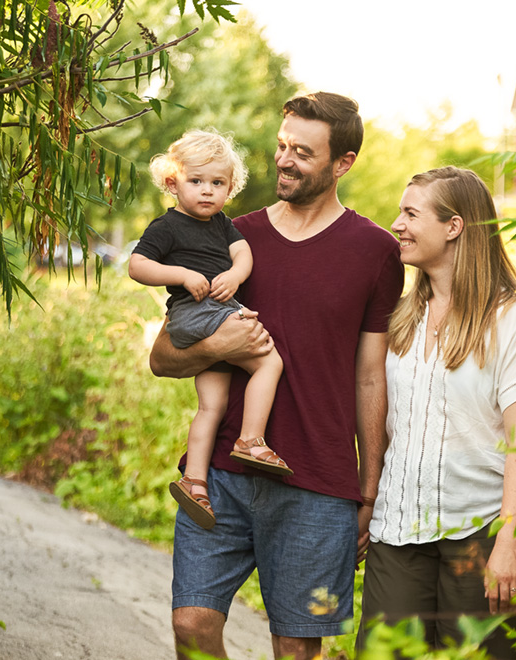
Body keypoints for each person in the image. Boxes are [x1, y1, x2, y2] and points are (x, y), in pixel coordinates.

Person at [148, 93, 405, 660]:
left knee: (295, 648)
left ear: (343, 163)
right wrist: (219, 343)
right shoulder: (226, 235)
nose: (284, 161)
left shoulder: (375, 252)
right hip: (219, 475)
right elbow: (164, 357)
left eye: (303, 152)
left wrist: (369, 488)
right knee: (191, 624)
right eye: (282, 146)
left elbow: (370, 377)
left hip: (317, 484)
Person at [356, 166, 516, 659]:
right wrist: (367, 496)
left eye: (410, 213)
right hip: (398, 529)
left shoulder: (509, 319)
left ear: (454, 226)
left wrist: (510, 538)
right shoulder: (400, 317)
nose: (396, 224)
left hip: (479, 531)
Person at [129, 129, 291, 530]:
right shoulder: (166, 227)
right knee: (269, 361)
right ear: (173, 183)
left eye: (217, 184)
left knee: (211, 406)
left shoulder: (222, 225)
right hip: (194, 311)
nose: (207, 192)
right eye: (196, 181)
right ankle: (251, 440)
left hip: (213, 308)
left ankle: (194, 481)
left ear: (229, 188)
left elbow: (243, 254)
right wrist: (182, 274)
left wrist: (236, 276)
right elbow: (137, 265)